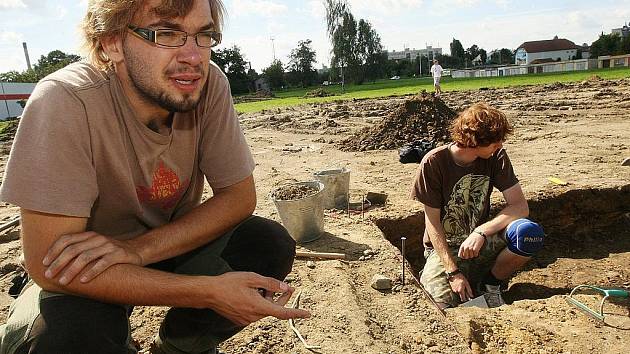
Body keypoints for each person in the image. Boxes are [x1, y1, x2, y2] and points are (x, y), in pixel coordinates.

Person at [0, 1, 309, 353]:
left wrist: (136, 250)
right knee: (59, 340)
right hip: (85, 265)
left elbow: (239, 197)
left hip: (163, 242)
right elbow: (47, 266)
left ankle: (179, 347)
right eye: (167, 34)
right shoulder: (66, 100)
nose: (194, 57)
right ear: (112, 42)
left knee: (266, 244)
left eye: (203, 35)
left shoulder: (208, 85)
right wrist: (207, 292)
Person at [410, 103, 544, 309]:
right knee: (439, 308)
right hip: (445, 249)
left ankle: (490, 285)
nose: (499, 146)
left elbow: (519, 207)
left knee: (527, 232)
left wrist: (480, 232)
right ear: (474, 140)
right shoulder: (434, 163)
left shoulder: (496, 156)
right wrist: (453, 272)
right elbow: (433, 224)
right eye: (494, 142)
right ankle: (453, 280)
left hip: (480, 243)